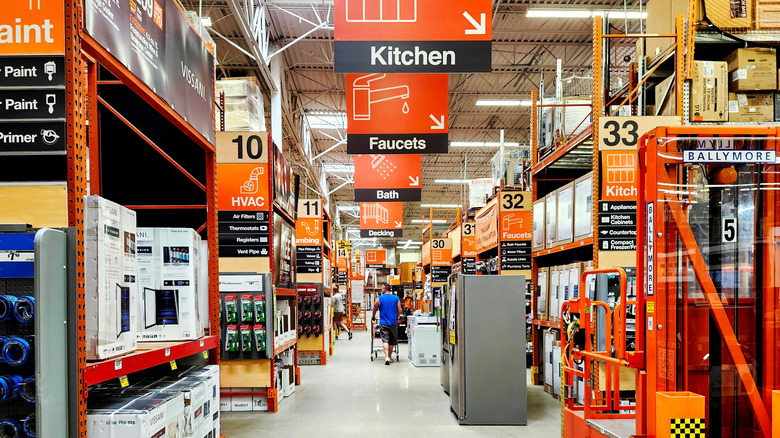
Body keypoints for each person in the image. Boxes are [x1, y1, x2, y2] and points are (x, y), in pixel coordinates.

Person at [372, 283, 402, 365]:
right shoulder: (396, 298)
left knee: (385, 340)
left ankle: (386, 357)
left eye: (382, 288)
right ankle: (390, 356)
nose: (382, 290)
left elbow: (375, 306)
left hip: (383, 322)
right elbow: (400, 310)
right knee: (391, 341)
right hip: (393, 322)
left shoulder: (379, 298)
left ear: (385, 289)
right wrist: (396, 316)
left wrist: (373, 316)